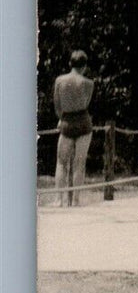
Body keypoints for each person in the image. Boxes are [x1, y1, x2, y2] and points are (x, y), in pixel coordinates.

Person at [52, 50, 94, 207]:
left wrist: (61, 119)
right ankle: (76, 199)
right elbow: (86, 103)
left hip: (67, 121)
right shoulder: (89, 83)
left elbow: (57, 106)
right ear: (84, 66)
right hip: (83, 121)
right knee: (79, 162)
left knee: (61, 163)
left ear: (70, 64)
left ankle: (58, 200)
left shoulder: (60, 81)